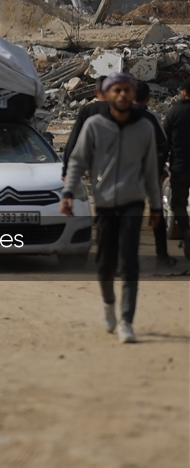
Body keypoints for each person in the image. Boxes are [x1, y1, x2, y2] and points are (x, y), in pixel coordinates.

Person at [61, 73, 162, 344]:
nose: (122, 95)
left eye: (126, 90)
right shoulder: (94, 125)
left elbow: (150, 170)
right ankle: (108, 303)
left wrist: (155, 206)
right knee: (105, 264)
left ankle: (126, 320)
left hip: (133, 201)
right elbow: (78, 160)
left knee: (129, 261)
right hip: (105, 203)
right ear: (106, 95)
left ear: (133, 94)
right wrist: (68, 192)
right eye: (117, 90)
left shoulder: (144, 127)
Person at [134, 80, 173, 267]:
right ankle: (162, 255)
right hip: (149, 172)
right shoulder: (151, 116)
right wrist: (158, 168)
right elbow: (163, 144)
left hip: (126, 173)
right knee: (156, 211)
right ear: (148, 98)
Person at [162, 78, 190, 262]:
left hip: (180, 167)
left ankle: (186, 232)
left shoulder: (174, 113)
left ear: (184, 93)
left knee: (178, 204)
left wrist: (161, 164)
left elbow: (164, 142)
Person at [61, 76, 107, 179]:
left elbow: (73, 140)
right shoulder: (125, 111)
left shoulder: (87, 110)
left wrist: (66, 169)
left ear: (95, 91)